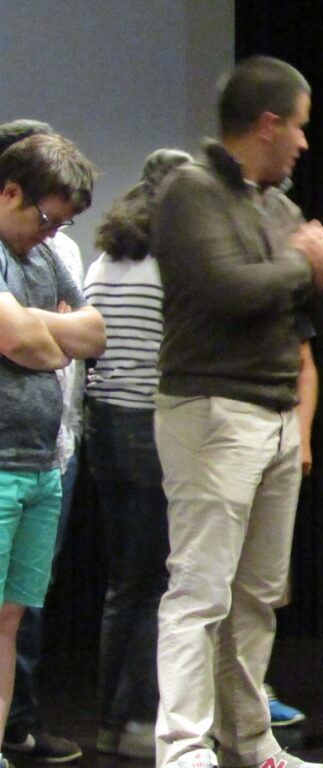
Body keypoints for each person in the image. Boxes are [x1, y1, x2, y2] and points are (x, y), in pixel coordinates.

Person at [151, 56, 323, 768]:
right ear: (267, 124)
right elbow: (227, 290)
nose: (303, 142)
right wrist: (304, 266)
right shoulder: (189, 190)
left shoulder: (279, 208)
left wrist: (318, 272)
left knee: (257, 596)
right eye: (298, 126)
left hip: (275, 414)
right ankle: (183, 747)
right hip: (212, 409)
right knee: (200, 589)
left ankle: (250, 741)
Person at [0, 133, 104, 768]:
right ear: (9, 191)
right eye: (44, 219)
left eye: (61, 225)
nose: (51, 234)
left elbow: (92, 335)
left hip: (43, 462)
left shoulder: (45, 256)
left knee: (10, 618)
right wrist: (47, 336)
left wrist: (35, 326)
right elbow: (20, 340)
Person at [85, 149, 192, 759]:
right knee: (152, 582)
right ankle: (135, 720)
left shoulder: (106, 260)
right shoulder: (167, 264)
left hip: (103, 425)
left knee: (125, 582)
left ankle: (112, 718)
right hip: (148, 427)